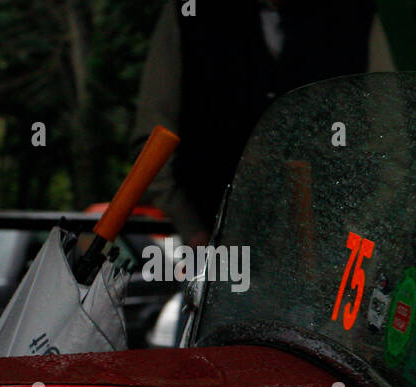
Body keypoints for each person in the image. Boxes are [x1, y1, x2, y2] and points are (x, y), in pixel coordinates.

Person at [132, 0, 394, 247]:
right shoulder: (190, 12)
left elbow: (391, 144)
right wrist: (192, 229)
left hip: (332, 256)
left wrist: (359, 232)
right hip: (222, 252)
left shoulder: (355, 14)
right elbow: (155, 137)